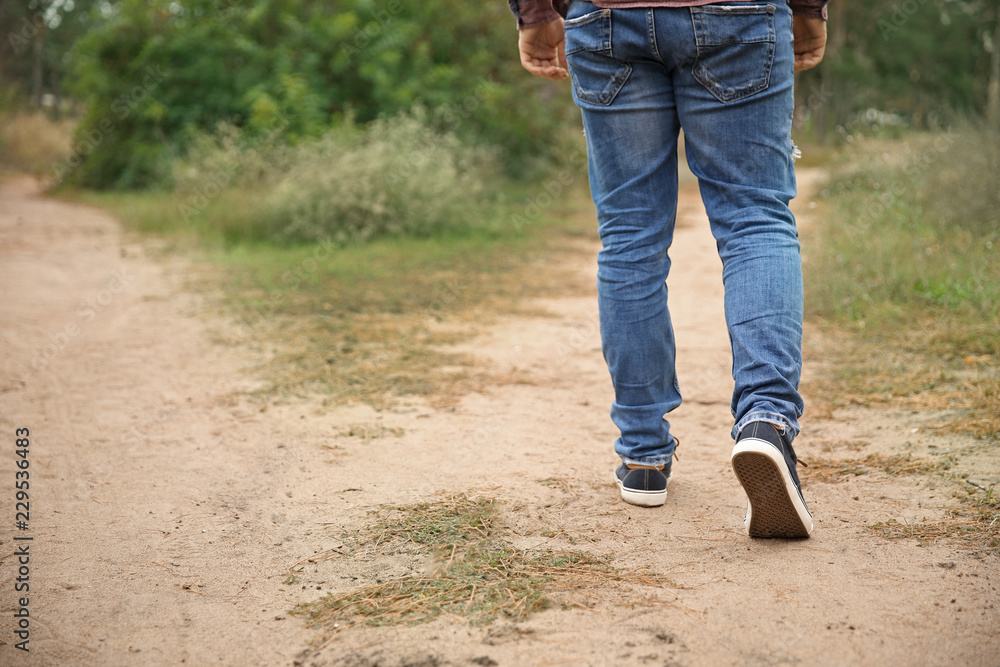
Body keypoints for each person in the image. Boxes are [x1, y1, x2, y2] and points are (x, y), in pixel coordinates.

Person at [510, 0, 828, 538]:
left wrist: (537, 13)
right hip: (740, 16)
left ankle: (643, 456)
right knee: (756, 219)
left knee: (630, 236)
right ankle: (766, 423)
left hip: (609, 19)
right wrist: (809, 8)